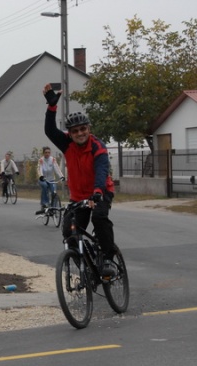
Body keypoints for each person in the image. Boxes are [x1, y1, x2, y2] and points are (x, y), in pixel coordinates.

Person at [42, 84, 116, 278]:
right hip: (78, 197)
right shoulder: (67, 143)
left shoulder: (97, 146)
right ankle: (87, 263)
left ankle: (108, 259)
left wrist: (98, 192)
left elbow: (102, 170)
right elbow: (50, 130)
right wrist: (51, 107)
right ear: (70, 133)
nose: (80, 133)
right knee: (69, 231)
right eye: (75, 131)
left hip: (100, 192)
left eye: (83, 129)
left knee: (99, 218)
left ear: (89, 129)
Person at [36, 146, 65, 213]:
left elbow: (57, 168)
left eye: (49, 152)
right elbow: (39, 169)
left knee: (54, 192)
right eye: (46, 152)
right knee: (44, 186)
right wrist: (41, 176)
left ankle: (54, 207)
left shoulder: (52, 160)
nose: (47, 154)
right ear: (43, 153)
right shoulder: (41, 160)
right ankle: (45, 203)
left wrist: (61, 176)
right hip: (43, 179)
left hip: (51, 179)